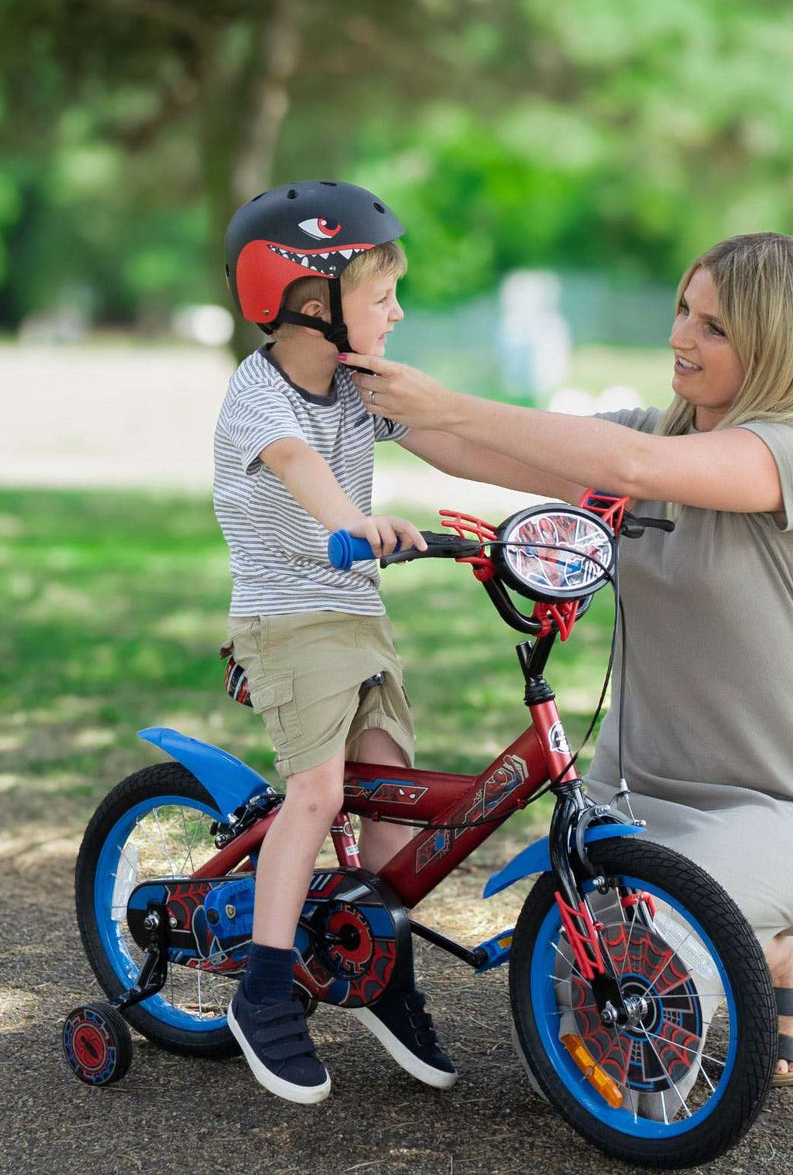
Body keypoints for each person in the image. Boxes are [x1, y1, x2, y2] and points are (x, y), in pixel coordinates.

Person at [339, 232, 793, 1086]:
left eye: (715, 329)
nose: (680, 338)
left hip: (785, 800)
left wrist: (446, 401)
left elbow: (633, 464)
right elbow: (485, 450)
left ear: (774, 345)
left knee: (648, 978)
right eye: (682, 311)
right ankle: (763, 937)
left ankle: (780, 941)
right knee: (584, 993)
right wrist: (368, 383)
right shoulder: (643, 436)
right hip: (638, 797)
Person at [215, 180, 585, 1105]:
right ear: (311, 302)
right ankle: (263, 992)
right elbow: (303, 472)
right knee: (320, 790)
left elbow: (455, 447)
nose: (398, 312)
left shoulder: (353, 385)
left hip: (355, 621)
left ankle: (375, 965)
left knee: (393, 796)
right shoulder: (258, 398)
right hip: (289, 620)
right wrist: (359, 521)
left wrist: (573, 490)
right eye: (382, 298)